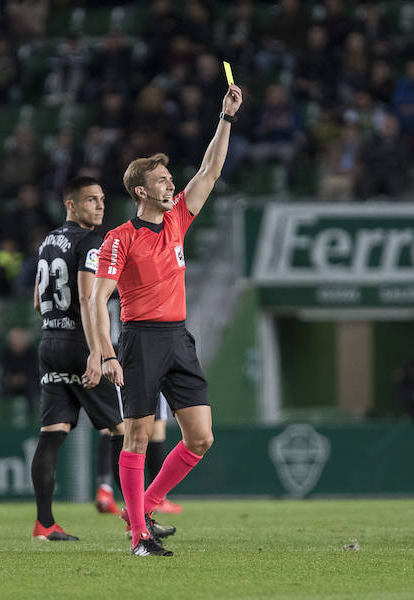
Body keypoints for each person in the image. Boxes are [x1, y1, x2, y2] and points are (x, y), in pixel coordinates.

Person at [85, 83, 243, 557]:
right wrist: (105, 352)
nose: (171, 183)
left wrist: (226, 117)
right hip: (139, 340)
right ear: (140, 190)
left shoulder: (177, 219)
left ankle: (145, 507)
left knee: (200, 436)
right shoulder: (120, 237)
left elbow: (211, 169)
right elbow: (97, 299)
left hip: (178, 336)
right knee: (136, 435)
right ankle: (138, 537)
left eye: (170, 176)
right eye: (162, 179)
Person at [30, 175, 128, 542]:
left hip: (50, 341)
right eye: (91, 200)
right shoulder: (91, 241)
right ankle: (138, 516)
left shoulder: (48, 241)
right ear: (71, 204)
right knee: (123, 430)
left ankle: (44, 523)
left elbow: (38, 301)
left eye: (101, 199)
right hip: (78, 342)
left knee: (52, 434)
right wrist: (96, 352)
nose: (100, 206)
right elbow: (90, 300)